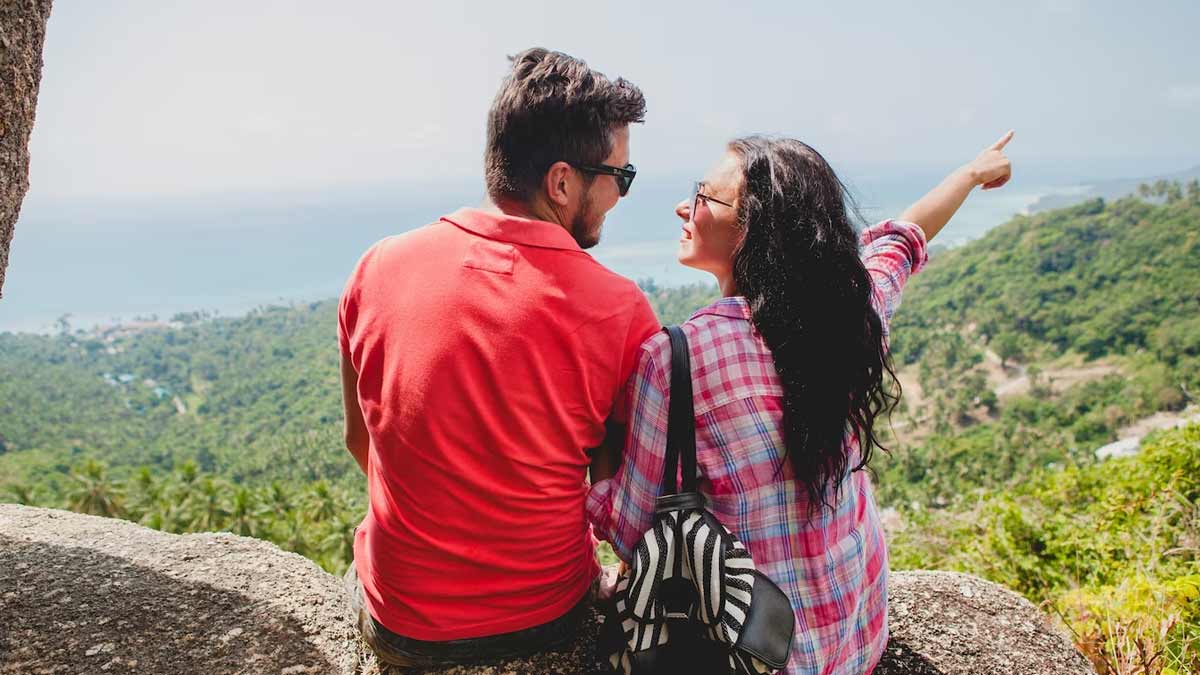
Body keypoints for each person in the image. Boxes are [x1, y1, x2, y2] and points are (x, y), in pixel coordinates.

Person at [587, 132, 1014, 674]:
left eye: (703, 196)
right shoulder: (848, 314)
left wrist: (601, 437)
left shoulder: (678, 360)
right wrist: (971, 175)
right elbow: (903, 240)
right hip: (857, 644)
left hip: (758, 656)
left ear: (754, 229)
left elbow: (633, 533)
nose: (683, 207)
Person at [337, 48, 661, 668]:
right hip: (545, 618)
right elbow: (621, 492)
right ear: (562, 182)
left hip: (401, 622)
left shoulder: (377, 266)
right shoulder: (619, 310)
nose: (620, 195)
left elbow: (361, 443)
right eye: (620, 177)